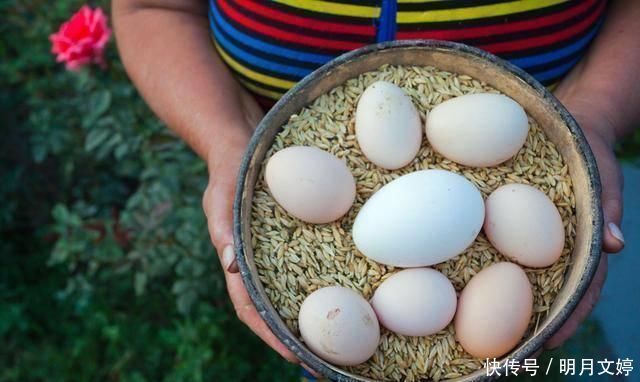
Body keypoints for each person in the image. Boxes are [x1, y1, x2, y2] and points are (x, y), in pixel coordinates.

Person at [112, 0, 638, 375]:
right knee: (336, 331)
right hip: (302, 151)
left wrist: (594, 112)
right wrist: (226, 137)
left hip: (525, 123)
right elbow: (153, 9)